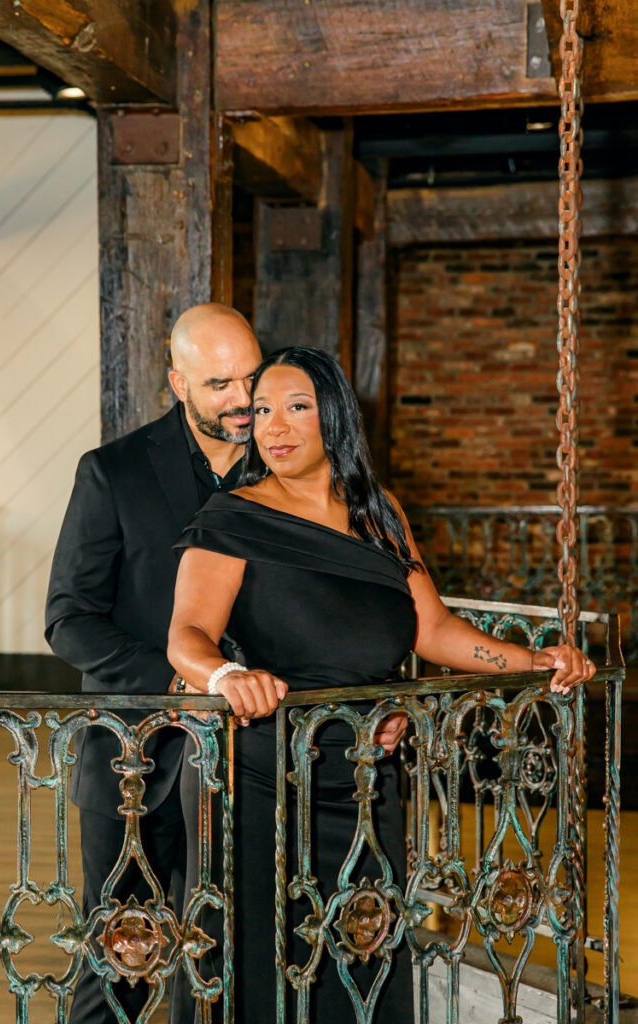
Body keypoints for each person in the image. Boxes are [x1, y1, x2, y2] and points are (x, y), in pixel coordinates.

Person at [166, 345, 596, 1023]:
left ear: (333, 415)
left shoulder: (378, 514)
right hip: (256, 776)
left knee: (363, 958)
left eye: (297, 408)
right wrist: (227, 674)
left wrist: (531, 662)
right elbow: (186, 636)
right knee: (256, 967)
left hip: (366, 776)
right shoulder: (233, 517)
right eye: (262, 411)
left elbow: (433, 630)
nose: (274, 427)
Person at [45, 303, 262, 1024]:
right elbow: (68, 620)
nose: (241, 401)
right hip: (129, 761)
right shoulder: (112, 472)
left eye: (251, 380)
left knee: (230, 965)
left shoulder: (289, 466)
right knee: (117, 975)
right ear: (177, 381)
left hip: (250, 763)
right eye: (219, 384)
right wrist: (183, 681)